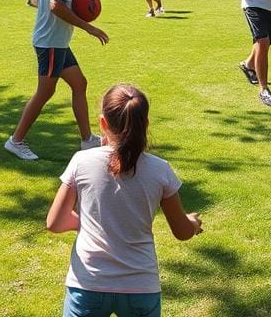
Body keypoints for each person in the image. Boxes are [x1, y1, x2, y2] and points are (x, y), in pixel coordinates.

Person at [47, 84, 203, 317]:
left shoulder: (81, 161)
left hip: (89, 283)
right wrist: (192, 223)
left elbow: (55, 222)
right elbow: (182, 231)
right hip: (140, 286)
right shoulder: (160, 170)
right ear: (146, 125)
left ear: (103, 124)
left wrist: (89, 223)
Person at [5, 0, 109, 161]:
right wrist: (88, 27)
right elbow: (55, 6)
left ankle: (87, 140)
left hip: (56, 41)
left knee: (79, 83)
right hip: (51, 42)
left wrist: (70, 3)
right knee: (45, 92)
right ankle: (16, 141)